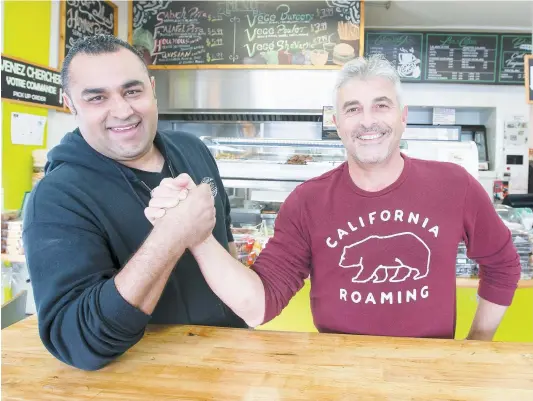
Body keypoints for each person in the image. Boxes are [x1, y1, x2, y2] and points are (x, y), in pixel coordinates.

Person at [147, 54, 522, 341]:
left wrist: (477, 342)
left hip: (429, 375)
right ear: (337, 123)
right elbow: (257, 306)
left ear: (403, 117)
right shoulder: (306, 202)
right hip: (337, 373)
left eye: (381, 105)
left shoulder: (453, 185)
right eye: (353, 109)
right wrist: (194, 235)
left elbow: (503, 264)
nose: (367, 120)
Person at [22, 34, 246, 372]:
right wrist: (170, 237)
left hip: (230, 361)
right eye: (97, 97)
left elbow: (226, 244)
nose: (123, 111)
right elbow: (79, 342)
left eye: (132, 91)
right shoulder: (56, 198)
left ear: (152, 88)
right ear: (70, 103)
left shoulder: (193, 149)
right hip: (144, 380)